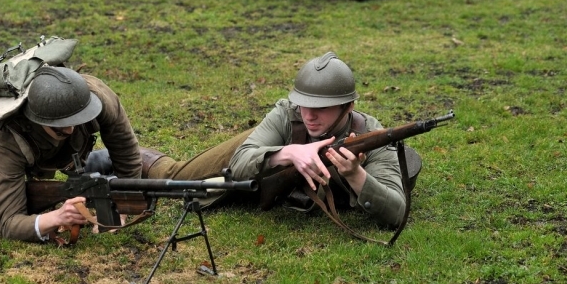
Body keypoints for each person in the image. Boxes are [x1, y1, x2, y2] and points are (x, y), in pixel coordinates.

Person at [141, 52, 413, 229]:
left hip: (273, 186)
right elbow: (241, 161)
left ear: (348, 106)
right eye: (304, 104)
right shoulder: (287, 115)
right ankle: (121, 155)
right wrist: (288, 153)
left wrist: (356, 175)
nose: (309, 115)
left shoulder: (371, 137)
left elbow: (397, 213)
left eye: (320, 107)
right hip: (266, 162)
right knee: (179, 178)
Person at [0, 66, 142, 243]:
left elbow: (127, 154)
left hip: (60, 154)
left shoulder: (99, 99)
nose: (71, 130)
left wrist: (123, 207)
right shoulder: (11, 139)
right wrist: (57, 217)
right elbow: (9, 222)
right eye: (61, 127)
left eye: (77, 121)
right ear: (39, 119)